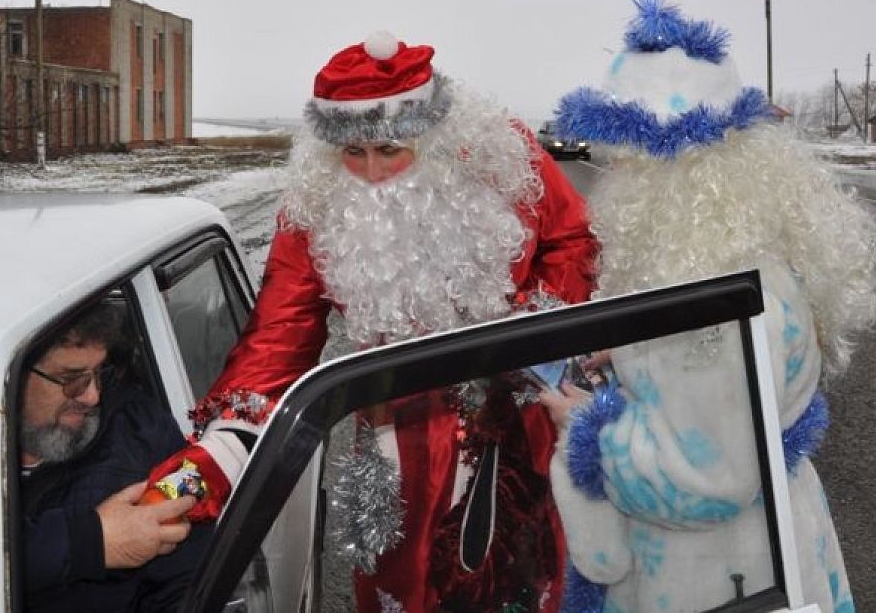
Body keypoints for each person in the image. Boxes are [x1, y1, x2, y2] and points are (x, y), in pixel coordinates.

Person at [147, 31, 600, 612]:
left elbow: (573, 240)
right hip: (397, 436)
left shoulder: (501, 160)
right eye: (353, 154)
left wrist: (525, 339)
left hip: (520, 424)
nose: (372, 172)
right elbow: (275, 343)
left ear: (431, 137)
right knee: (405, 585)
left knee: (524, 578)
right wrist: (197, 475)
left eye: (389, 149)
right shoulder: (316, 209)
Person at [544, 0, 876, 613]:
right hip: (767, 549)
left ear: (669, 168)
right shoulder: (737, 254)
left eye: (622, 160)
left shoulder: (704, 298)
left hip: (714, 579)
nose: (611, 175)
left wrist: (585, 429)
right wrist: (629, 350)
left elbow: (700, 482)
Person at [20, 302, 210, 613]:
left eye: (98, 373)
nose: (92, 395)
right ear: (13, 375)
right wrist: (89, 543)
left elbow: (186, 578)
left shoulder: (144, 431)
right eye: (73, 379)